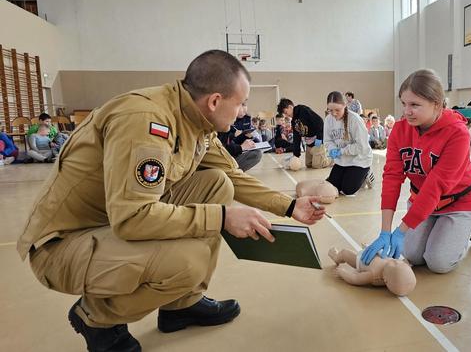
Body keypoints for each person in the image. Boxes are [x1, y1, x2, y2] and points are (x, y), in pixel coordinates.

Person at [17, 50, 326, 352]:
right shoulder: (146, 121)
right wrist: (222, 218)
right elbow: (132, 217)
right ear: (215, 100)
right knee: (188, 262)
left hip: (109, 222)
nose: (243, 111)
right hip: (63, 245)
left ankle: (182, 304)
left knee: (216, 183)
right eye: (241, 103)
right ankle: (95, 318)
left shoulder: (195, 120)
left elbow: (232, 176)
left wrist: (288, 206)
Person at [361, 69, 471, 274]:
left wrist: (400, 231)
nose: (407, 111)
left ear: (436, 103)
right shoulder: (400, 130)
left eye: (415, 105)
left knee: (438, 263)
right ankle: (437, 228)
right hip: (422, 201)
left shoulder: (457, 133)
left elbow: (436, 186)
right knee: (413, 255)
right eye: (404, 103)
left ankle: (470, 226)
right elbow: (392, 178)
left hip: (458, 202)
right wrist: (385, 231)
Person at [323, 91, 374, 195]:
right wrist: (332, 149)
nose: (333, 113)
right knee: (332, 187)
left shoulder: (355, 119)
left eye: (337, 110)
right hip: (342, 160)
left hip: (359, 160)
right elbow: (327, 140)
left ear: (345, 105)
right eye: (330, 110)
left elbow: (361, 147)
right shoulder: (328, 120)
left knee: (347, 190)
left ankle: (366, 173)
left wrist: (341, 151)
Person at [277, 98, 332, 169]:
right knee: (308, 165)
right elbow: (296, 137)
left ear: (290, 107)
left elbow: (320, 122)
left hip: (317, 141)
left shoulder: (303, 110)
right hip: (309, 144)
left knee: (317, 165)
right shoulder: (293, 121)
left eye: (285, 112)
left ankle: (331, 158)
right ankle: (320, 155)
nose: (286, 115)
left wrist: (318, 141)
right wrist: (296, 155)